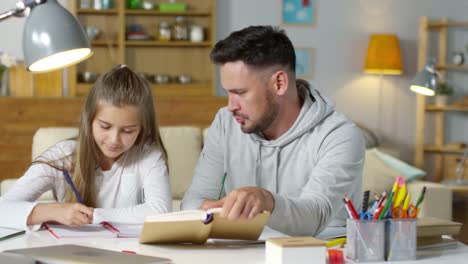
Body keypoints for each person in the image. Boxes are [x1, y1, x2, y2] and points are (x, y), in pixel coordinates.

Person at [181, 26, 365, 236]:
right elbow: (193, 201)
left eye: (239, 92)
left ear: (279, 83)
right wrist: (207, 211)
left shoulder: (340, 135)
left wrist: (267, 201)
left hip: (319, 252)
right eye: (228, 93)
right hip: (245, 251)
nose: (231, 105)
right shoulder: (225, 122)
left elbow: (316, 213)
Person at [0, 65, 172, 230]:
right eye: (105, 127)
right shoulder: (63, 156)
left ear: (143, 127)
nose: (114, 140)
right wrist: (50, 211)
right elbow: (3, 208)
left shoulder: (148, 155)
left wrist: (94, 215)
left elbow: (160, 211)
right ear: (88, 120)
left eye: (128, 131)